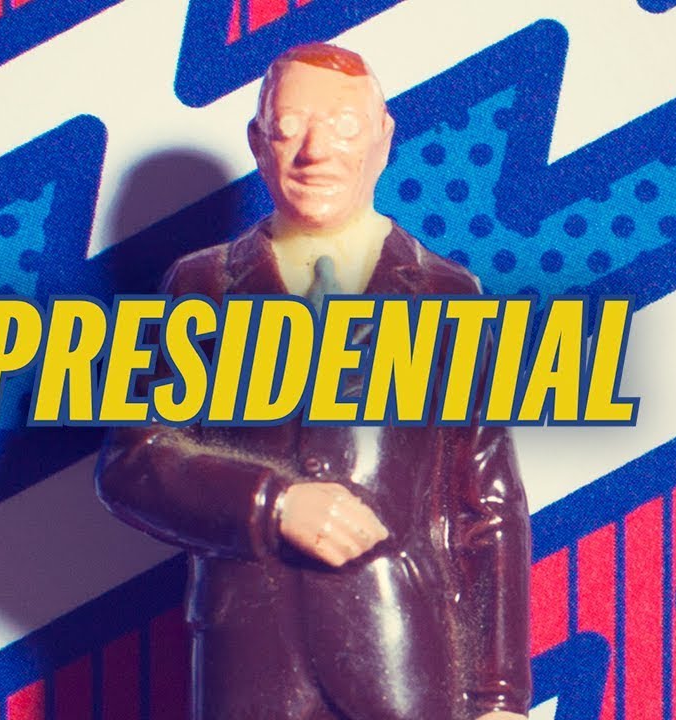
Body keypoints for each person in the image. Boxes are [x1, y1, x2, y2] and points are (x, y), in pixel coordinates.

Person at [96, 42, 531, 720]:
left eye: (345, 126)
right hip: (251, 657)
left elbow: (488, 505)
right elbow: (133, 462)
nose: (316, 151)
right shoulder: (201, 286)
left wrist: (499, 696)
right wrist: (271, 505)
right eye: (289, 125)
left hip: (402, 655)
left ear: (383, 139)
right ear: (258, 141)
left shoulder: (447, 295)